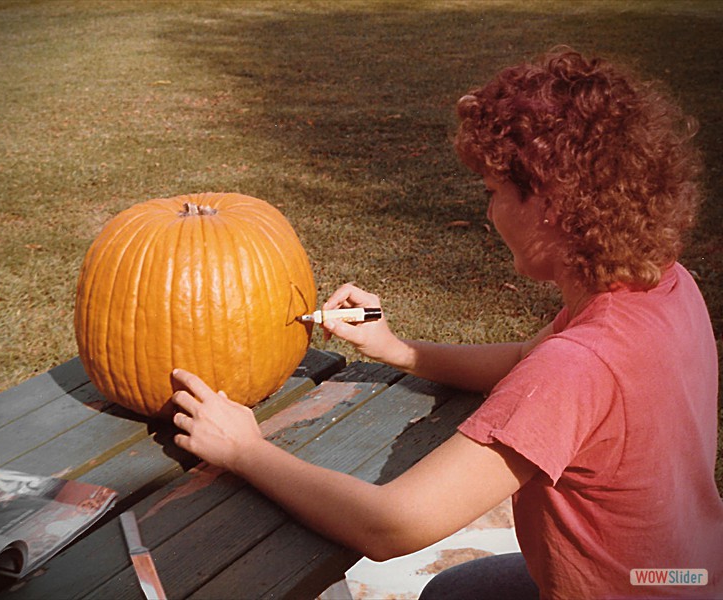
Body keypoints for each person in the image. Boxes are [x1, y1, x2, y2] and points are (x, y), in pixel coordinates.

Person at [170, 47, 723, 599]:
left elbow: (393, 524)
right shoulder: (666, 287)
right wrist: (396, 348)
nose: (489, 213)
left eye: (492, 193)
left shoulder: (577, 369)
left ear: (552, 203)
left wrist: (245, 449)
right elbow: (521, 362)